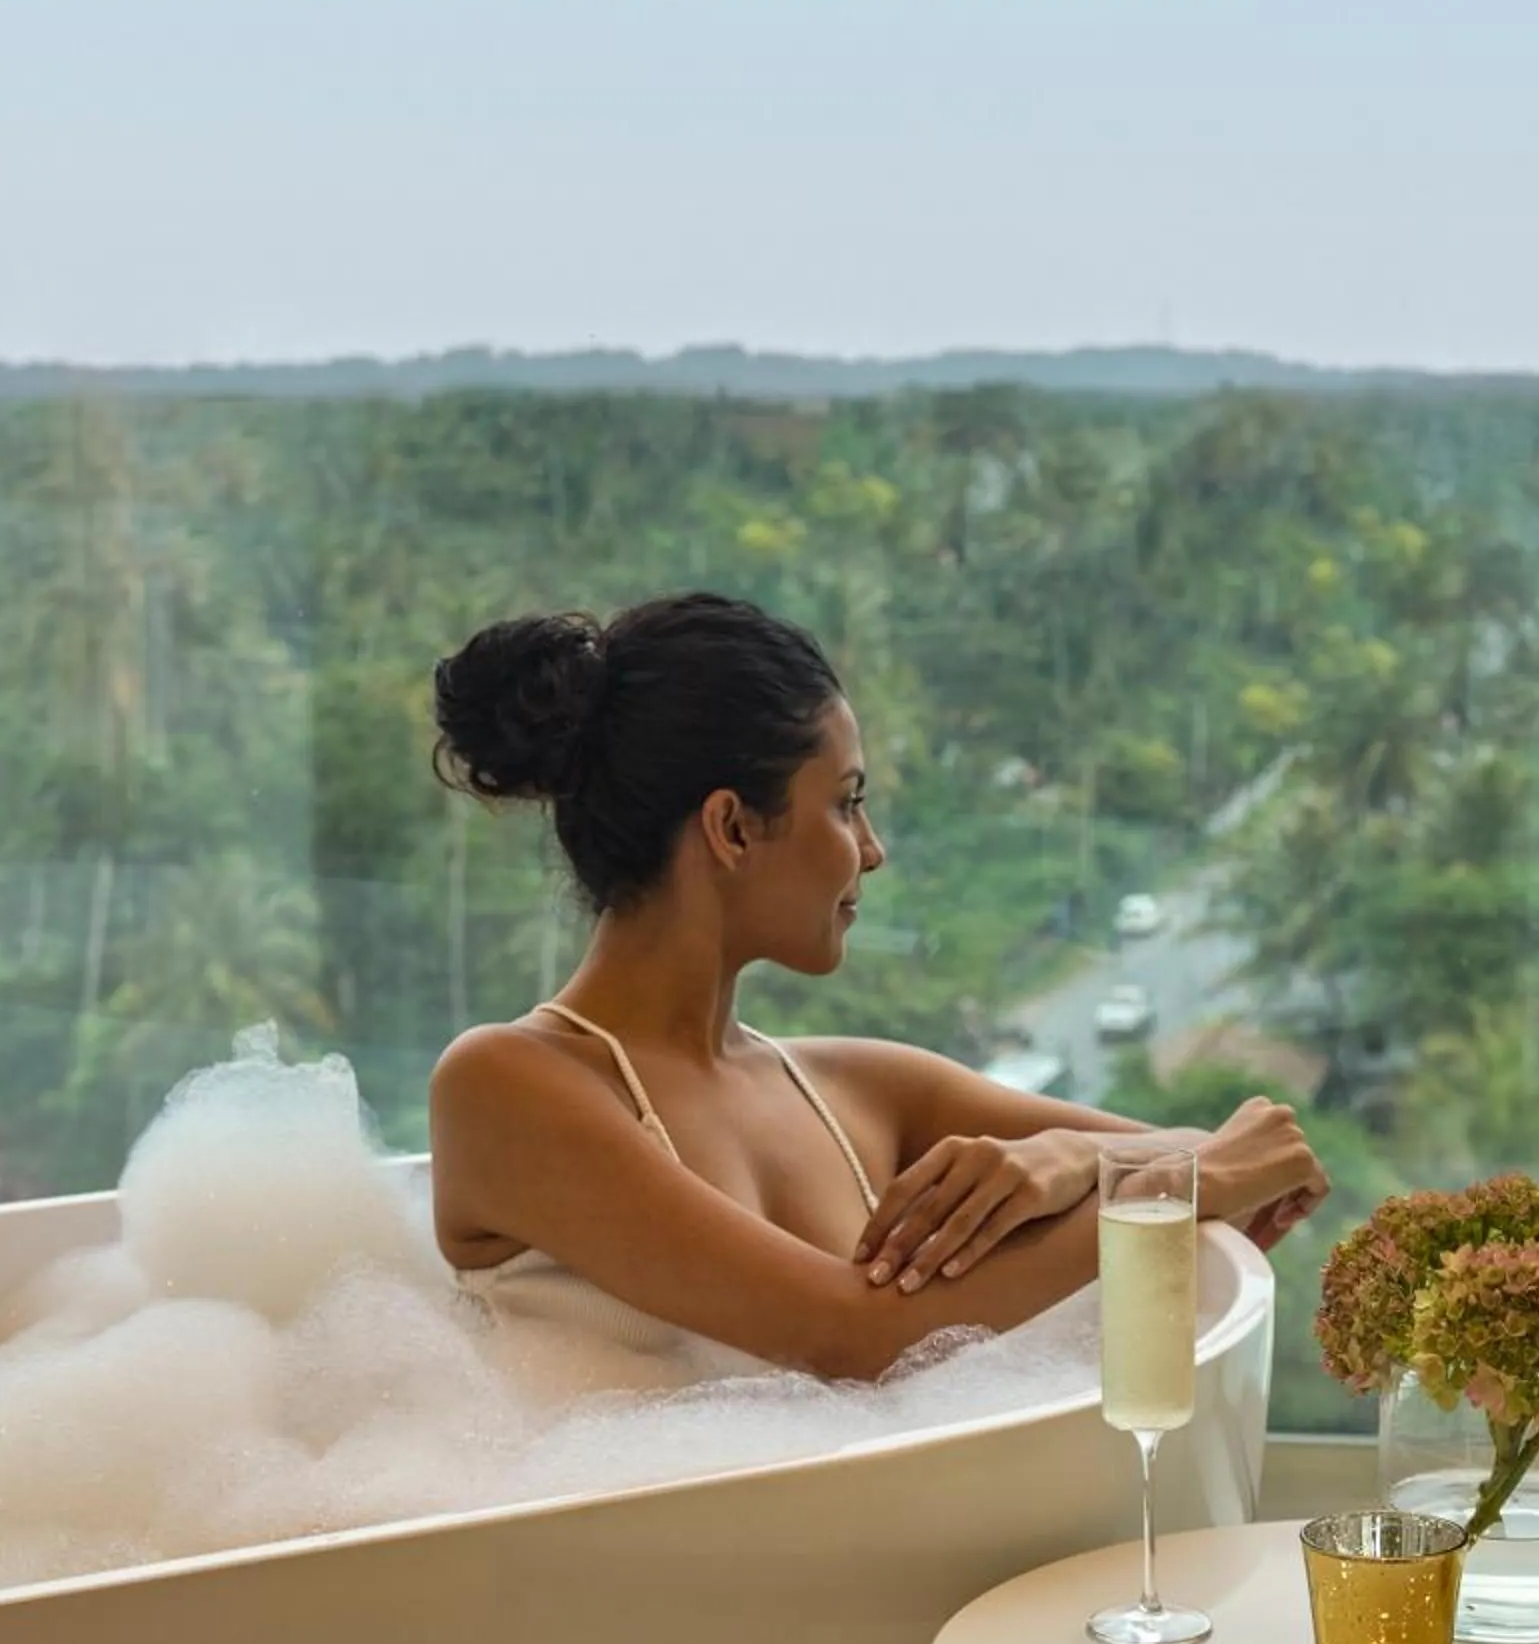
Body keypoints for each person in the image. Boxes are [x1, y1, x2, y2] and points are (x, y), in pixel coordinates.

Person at [426, 592, 1330, 1383]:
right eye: (846, 803)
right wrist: (1165, 1183)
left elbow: (1245, 1168)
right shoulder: (505, 1086)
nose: (872, 849)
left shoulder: (866, 1090)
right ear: (732, 828)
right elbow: (849, 1337)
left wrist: (1065, 1160)